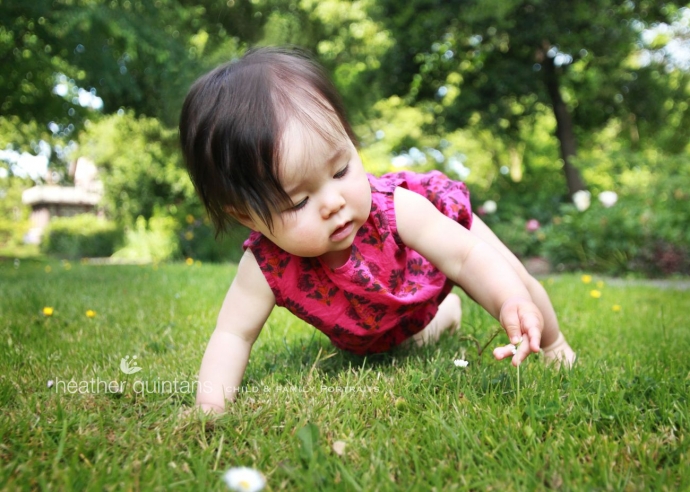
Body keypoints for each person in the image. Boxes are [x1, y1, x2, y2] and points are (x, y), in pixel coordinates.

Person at [179, 47, 576, 413]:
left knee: (514, 276)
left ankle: (556, 345)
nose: (333, 201)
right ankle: (444, 315)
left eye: (341, 170)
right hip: (384, 323)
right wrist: (210, 408)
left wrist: (508, 299)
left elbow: (467, 257)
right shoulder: (264, 266)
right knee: (413, 335)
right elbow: (233, 335)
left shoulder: (397, 206)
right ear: (247, 217)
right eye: (298, 202)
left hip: (437, 247)